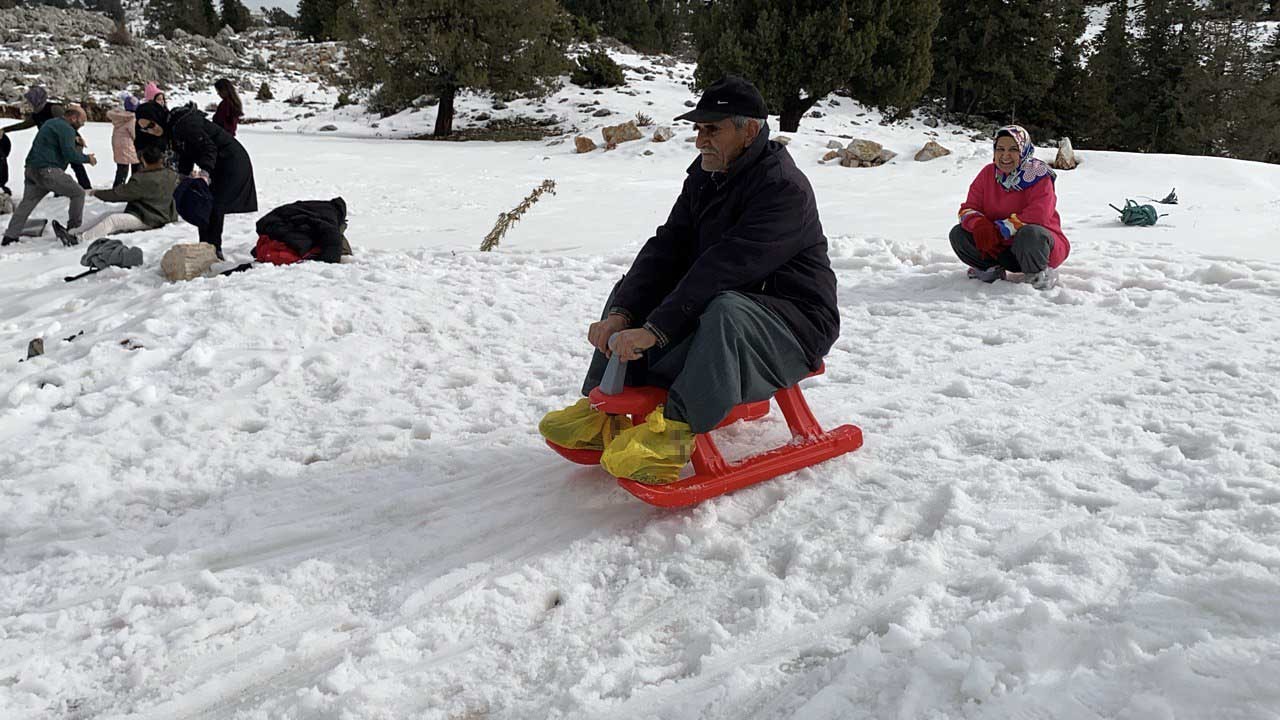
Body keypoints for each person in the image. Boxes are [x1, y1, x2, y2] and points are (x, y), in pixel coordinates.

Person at [538, 75, 839, 485]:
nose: (700, 140)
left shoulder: (782, 189)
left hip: (795, 322)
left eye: (712, 129)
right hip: (729, 303)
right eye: (698, 128)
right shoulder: (707, 174)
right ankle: (604, 410)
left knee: (726, 309)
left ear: (749, 130)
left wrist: (657, 331)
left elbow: (724, 267)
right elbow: (668, 247)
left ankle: (674, 436)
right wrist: (623, 315)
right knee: (634, 290)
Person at [951, 125, 1070, 290]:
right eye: (1000, 149)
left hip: (1035, 247)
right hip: (999, 248)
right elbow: (968, 209)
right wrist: (979, 225)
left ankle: (1039, 275)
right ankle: (989, 269)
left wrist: (1000, 230)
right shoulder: (988, 173)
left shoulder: (1038, 175)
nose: (1005, 155)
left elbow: (1039, 214)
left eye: (1013, 149)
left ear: (1023, 150)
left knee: (1030, 234)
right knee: (959, 234)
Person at [135, 101, 257, 259]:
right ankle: (206, 247)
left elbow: (209, 148)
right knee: (204, 204)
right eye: (144, 128)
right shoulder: (172, 128)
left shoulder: (183, 124)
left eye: (150, 125)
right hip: (217, 163)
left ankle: (213, 250)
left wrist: (205, 173)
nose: (149, 131)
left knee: (214, 204)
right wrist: (183, 176)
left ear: (158, 118)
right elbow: (187, 154)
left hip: (231, 161)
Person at [2, 105, 96, 246]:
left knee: (27, 204)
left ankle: (10, 236)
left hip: (31, 170)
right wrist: (87, 158)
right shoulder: (66, 128)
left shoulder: (50, 123)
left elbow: (57, 144)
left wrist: (76, 142)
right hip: (49, 171)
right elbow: (70, 155)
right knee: (78, 193)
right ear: (73, 117)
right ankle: (73, 230)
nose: (82, 125)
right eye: (82, 121)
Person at [53, 143, 177, 245]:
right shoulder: (171, 174)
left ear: (143, 160)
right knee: (108, 214)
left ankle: (79, 240)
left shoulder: (142, 179)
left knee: (113, 220)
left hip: (149, 218)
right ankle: (73, 232)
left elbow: (118, 194)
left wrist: (96, 192)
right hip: (163, 214)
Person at [0, 87, 93, 192]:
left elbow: (68, 124)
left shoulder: (53, 108)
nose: (29, 103)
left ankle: (86, 188)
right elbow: (24, 125)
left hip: (66, 141)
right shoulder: (36, 114)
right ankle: (58, 193)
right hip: (52, 146)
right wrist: (5, 130)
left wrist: (77, 137)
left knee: (76, 164)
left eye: (31, 100)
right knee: (55, 168)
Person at [107, 93, 140, 187]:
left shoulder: (120, 117)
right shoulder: (131, 119)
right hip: (129, 146)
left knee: (121, 168)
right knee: (136, 167)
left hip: (118, 146)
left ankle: (118, 186)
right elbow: (135, 135)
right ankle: (133, 187)